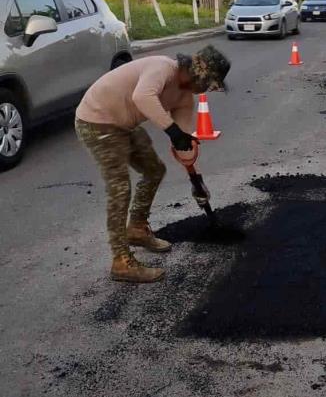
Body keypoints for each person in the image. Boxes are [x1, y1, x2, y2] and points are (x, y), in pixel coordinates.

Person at [75, 46, 231, 283]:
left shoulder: (185, 100)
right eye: (209, 83)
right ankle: (121, 261)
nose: (207, 89)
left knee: (155, 170)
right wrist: (172, 130)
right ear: (197, 74)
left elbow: (184, 145)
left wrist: (196, 181)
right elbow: (142, 97)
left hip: (124, 125)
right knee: (119, 187)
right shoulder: (163, 68)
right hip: (97, 121)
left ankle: (137, 228)